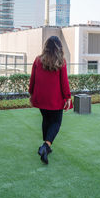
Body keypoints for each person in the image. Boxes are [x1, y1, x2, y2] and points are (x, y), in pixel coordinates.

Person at [29, 36, 73, 164]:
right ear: (59, 47)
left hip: (41, 98)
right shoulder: (61, 62)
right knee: (56, 122)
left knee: (46, 119)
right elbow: (64, 82)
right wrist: (67, 97)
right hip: (55, 99)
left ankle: (46, 146)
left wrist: (31, 93)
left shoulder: (38, 60)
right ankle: (46, 146)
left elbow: (33, 79)